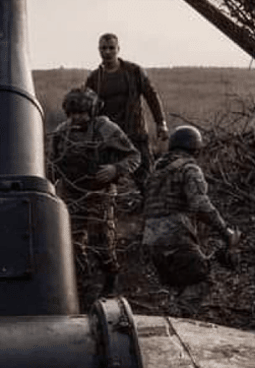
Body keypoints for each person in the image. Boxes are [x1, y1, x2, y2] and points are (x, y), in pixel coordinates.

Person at [48, 87, 141, 298]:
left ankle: (111, 279)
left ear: (91, 111)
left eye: (82, 113)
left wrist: (115, 169)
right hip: (70, 193)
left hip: (100, 194)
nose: (77, 118)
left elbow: (134, 156)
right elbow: (52, 164)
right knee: (70, 242)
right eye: (73, 113)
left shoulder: (106, 129)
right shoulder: (61, 132)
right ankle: (82, 283)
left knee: (101, 242)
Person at [142, 125, 239, 316]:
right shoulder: (189, 168)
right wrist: (225, 231)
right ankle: (182, 321)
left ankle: (176, 318)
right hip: (176, 239)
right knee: (201, 281)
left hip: (151, 241)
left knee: (183, 285)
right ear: (195, 149)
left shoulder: (156, 172)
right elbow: (200, 205)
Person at [84, 33, 168, 188]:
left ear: (118, 49)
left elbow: (151, 96)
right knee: (110, 178)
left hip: (135, 132)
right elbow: (86, 108)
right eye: (103, 48)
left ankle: (147, 201)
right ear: (99, 50)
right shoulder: (94, 78)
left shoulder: (134, 71)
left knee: (145, 176)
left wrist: (160, 123)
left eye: (111, 48)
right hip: (109, 137)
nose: (107, 52)